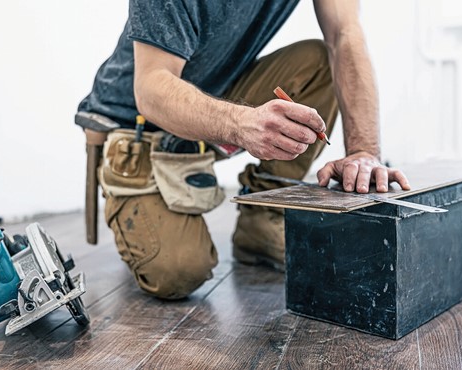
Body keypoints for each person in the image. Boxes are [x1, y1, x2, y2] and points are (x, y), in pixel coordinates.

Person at [77, 0, 411, 300]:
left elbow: (344, 34)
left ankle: (262, 220)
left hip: (214, 91)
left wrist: (364, 151)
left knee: (320, 64)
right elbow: (151, 88)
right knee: (179, 272)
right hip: (136, 125)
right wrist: (240, 123)